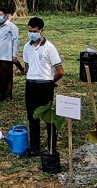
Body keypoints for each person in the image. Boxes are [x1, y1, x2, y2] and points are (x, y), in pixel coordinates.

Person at [13, 17, 63, 157]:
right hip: (30, 86)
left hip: (45, 86)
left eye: (34, 31)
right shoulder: (27, 47)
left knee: (49, 119)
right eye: (29, 31)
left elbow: (60, 71)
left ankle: (52, 147)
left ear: (41, 31)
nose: (31, 33)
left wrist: (51, 82)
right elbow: (27, 67)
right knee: (32, 118)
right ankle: (34, 148)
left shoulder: (49, 48)